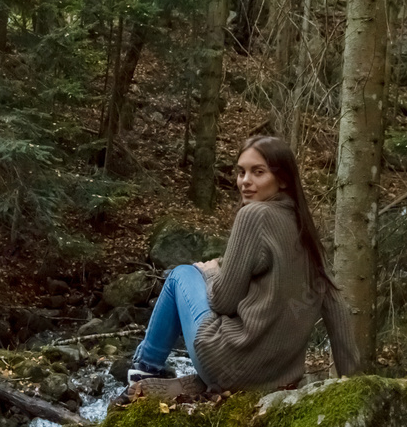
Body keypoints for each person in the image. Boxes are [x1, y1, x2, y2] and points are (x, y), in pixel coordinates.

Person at [125, 135, 360, 399]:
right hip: (279, 380)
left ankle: (145, 369)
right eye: (241, 172)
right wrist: (350, 384)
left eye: (258, 172)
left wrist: (211, 274)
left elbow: (223, 302)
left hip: (225, 364)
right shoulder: (306, 230)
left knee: (181, 274)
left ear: (283, 179)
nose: (245, 181)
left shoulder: (253, 215)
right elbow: (336, 308)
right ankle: (197, 385)